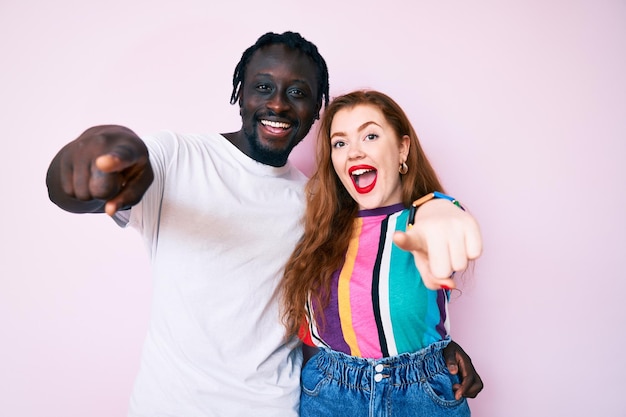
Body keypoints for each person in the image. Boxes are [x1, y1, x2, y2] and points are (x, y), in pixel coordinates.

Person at [46, 32, 482, 417]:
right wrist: (92, 159)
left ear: (315, 111)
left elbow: (374, 268)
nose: (277, 103)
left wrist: (429, 349)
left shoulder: (319, 202)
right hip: (169, 404)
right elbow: (85, 184)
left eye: (297, 92)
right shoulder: (177, 158)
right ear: (240, 94)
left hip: (279, 405)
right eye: (262, 87)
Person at [280, 90, 480, 416]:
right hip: (330, 393)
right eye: (340, 143)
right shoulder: (318, 230)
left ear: (402, 148)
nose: (354, 152)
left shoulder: (425, 216)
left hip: (421, 396)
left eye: (370, 135)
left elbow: (441, 216)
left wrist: (441, 211)